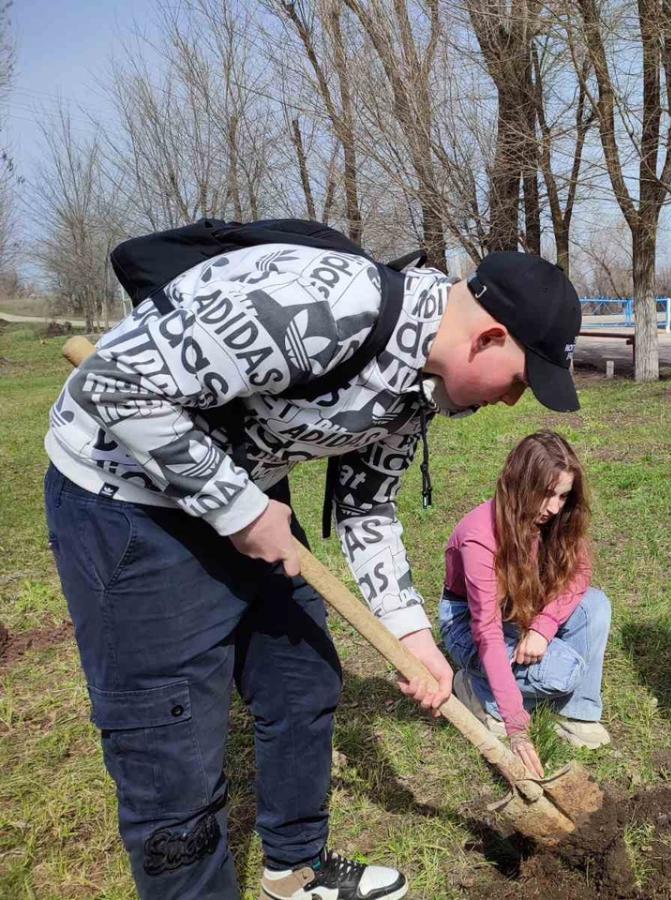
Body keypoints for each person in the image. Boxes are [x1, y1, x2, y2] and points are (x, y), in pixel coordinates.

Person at [43, 241, 583, 900]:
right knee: (171, 746)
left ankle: (295, 870)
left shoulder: (419, 387)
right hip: (130, 506)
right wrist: (239, 508)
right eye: (520, 382)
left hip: (247, 500)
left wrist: (412, 636)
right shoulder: (325, 304)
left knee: (302, 680)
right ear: (489, 337)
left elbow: (367, 508)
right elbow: (117, 384)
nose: (512, 403)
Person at [440, 431, 611, 778]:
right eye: (546, 494)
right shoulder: (480, 535)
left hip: (525, 609)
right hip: (470, 625)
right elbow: (486, 630)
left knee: (596, 605)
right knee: (565, 671)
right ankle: (476, 690)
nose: (554, 507)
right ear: (520, 484)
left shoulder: (556, 518)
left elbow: (580, 572)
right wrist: (517, 730)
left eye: (563, 496)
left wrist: (544, 629)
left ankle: (577, 712)